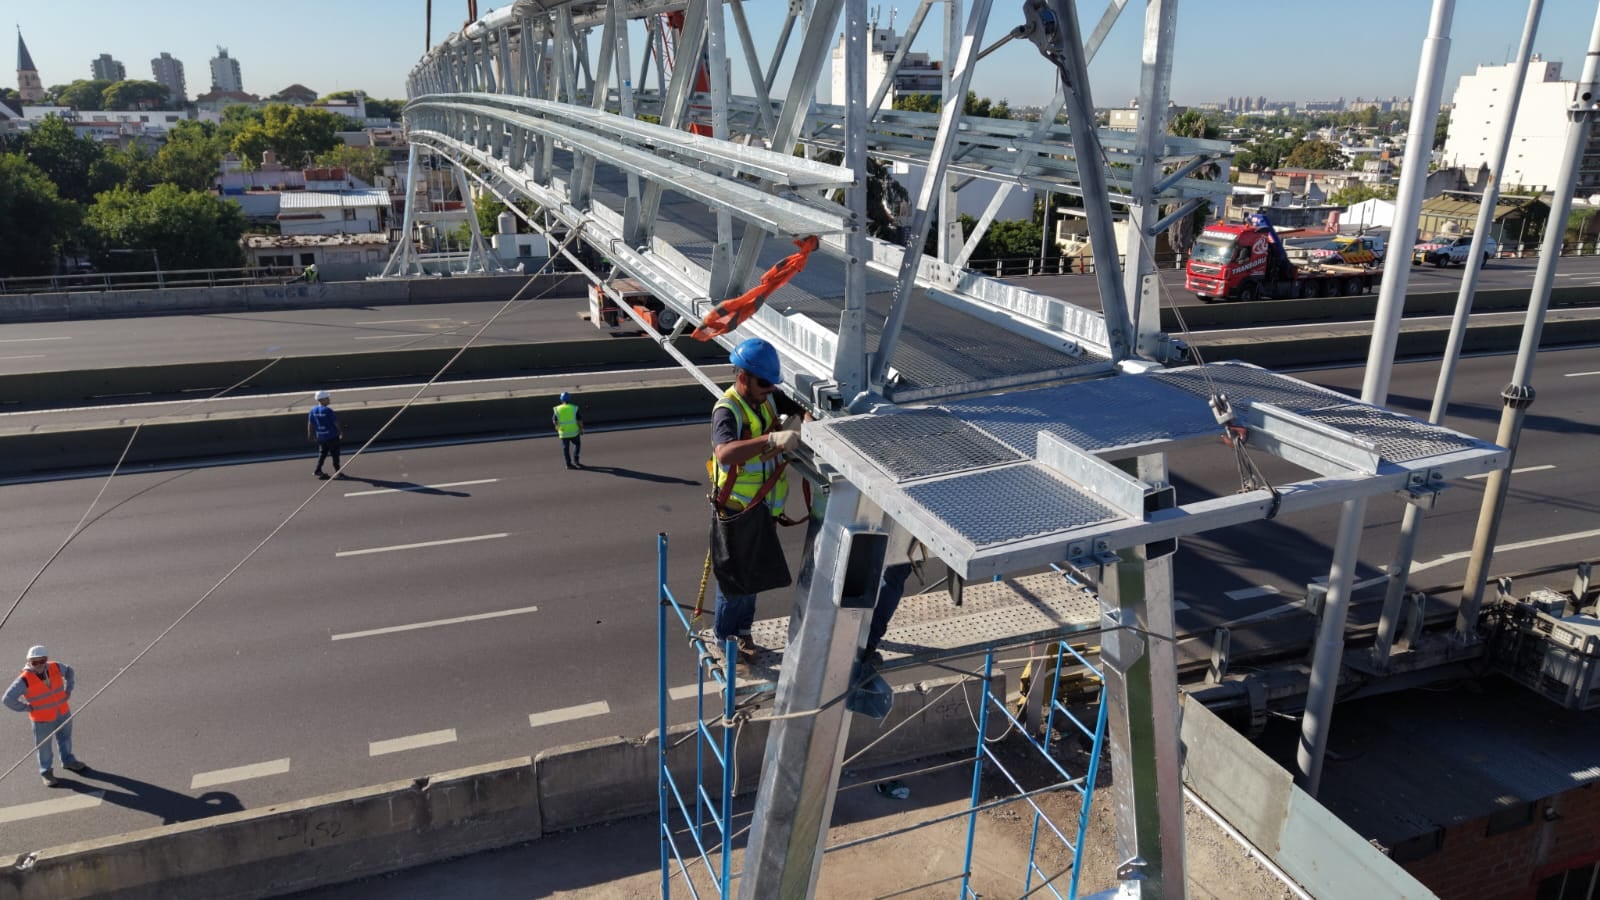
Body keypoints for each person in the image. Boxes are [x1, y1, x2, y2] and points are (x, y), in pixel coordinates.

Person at [710, 337, 801, 661]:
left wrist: (801, 420)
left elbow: (799, 410)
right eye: (764, 383)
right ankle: (726, 637)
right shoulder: (728, 408)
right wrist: (772, 438)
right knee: (736, 581)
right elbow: (724, 453)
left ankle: (743, 632)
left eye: (773, 384)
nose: (770, 389)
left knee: (753, 577)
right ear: (744, 377)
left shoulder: (766, 400)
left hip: (762, 508)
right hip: (738, 509)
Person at [3, 645, 87, 786]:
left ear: (46, 659)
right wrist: (26, 708)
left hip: (62, 712)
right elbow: (7, 699)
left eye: (42, 661)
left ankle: (68, 761)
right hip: (42, 720)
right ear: (28, 662)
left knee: (65, 738)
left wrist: (69, 689)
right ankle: (46, 772)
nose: (39, 665)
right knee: (44, 748)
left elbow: (70, 671)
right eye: (35, 662)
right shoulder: (24, 680)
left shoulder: (55, 667)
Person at [308, 390, 343, 479]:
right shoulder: (328, 410)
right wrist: (340, 431)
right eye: (327, 398)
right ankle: (338, 472)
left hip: (321, 437)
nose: (329, 399)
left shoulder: (313, 410)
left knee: (322, 453)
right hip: (332, 436)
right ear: (322, 399)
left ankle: (318, 470)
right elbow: (335, 423)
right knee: (335, 454)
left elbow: (310, 423)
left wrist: (310, 434)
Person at [552, 391, 583, 469]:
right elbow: (579, 420)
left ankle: (568, 464)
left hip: (563, 433)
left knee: (565, 448)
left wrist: (557, 428)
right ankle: (576, 460)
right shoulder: (574, 408)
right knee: (577, 444)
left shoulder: (557, 409)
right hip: (574, 432)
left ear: (561, 399)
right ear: (569, 399)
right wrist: (581, 429)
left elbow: (554, 421)